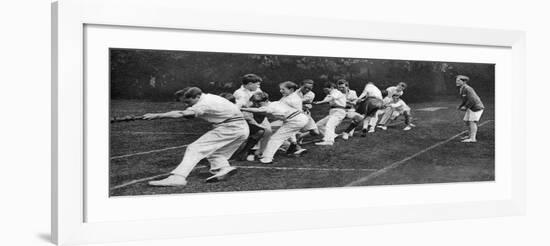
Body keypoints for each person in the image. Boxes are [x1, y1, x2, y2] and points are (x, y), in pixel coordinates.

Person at [144, 87, 249, 186]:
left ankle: (178, 177)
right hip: (242, 128)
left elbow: (182, 114)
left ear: (197, 96)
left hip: (231, 127)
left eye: (188, 102)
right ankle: (224, 168)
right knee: (216, 153)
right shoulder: (209, 97)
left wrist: (157, 115)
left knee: (194, 148)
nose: (186, 105)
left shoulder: (204, 103)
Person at [241, 92, 309, 164]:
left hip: (295, 120)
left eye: (259, 102)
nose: (257, 104)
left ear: (266, 100)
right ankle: (293, 146)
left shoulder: (269, 107)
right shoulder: (275, 103)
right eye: (255, 102)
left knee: (275, 139)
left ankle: (267, 158)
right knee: (286, 132)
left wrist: (243, 108)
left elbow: (259, 110)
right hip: (299, 118)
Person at [233, 74, 272, 160]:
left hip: (258, 113)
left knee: (268, 131)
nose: (259, 86)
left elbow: (263, 98)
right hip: (246, 116)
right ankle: (246, 151)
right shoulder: (239, 93)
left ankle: (261, 152)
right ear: (250, 84)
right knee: (254, 133)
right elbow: (243, 108)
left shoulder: (256, 89)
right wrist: (253, 120)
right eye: (257, 84)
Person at [219, 93, 266, 161]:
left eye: (257, 103)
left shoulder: (260, 109)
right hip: (230, 125)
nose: (255, 104)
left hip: (243, 124)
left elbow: (256, 121)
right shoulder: (236, 106)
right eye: (254, 102)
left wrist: (252, 119)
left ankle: (244, 152)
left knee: (260, 131)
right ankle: (223, 153)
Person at [313, 81, 347, 146]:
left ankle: (329, 141)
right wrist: (318, 102)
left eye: (326, 89)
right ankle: (333, 135)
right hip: (333, 112)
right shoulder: (330, 94)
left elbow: (331, 98)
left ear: (331, 87)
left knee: (330, 125)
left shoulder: (336, 92)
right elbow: (327, 99)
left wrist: (320, 102)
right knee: (319, 125)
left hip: (339, 111)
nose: (325, 91)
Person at [455, 75, 485, 143]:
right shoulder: (462, 88)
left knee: (472, 122)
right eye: (456, 80)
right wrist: (460, 106)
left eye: (459, 80)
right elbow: (465, 99)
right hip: (471, 107)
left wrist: (465, 107)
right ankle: (470, 136)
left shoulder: (467, 88)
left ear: (464, 81)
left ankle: (473, 138)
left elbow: (472, 100)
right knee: (466, 121)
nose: (457, 82)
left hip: (476, 107)